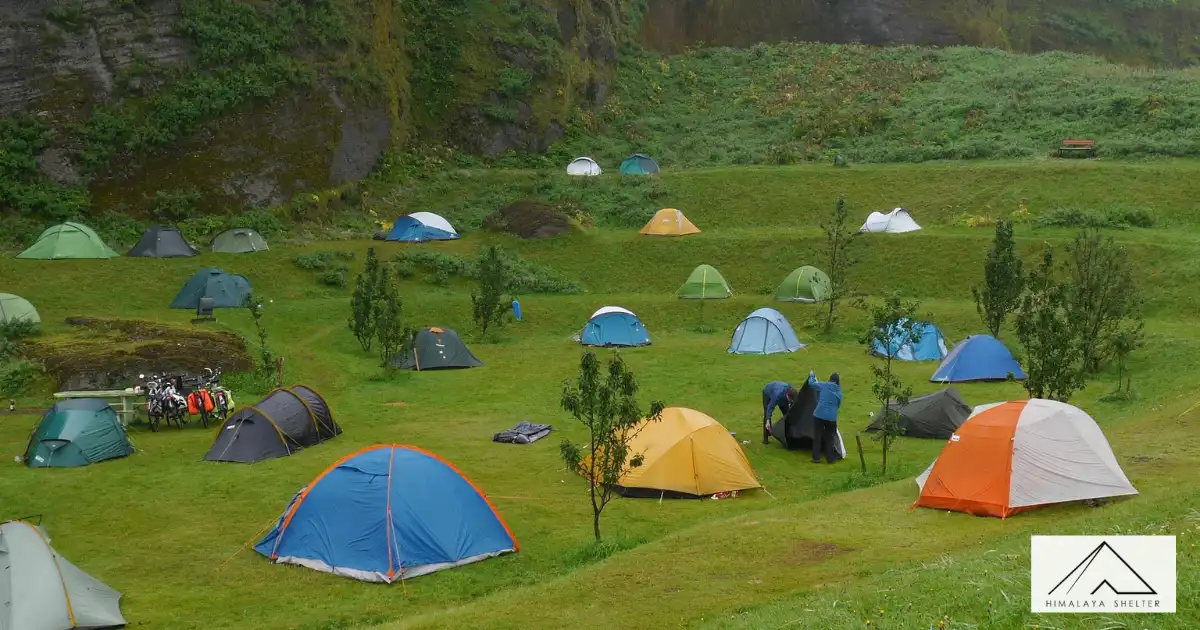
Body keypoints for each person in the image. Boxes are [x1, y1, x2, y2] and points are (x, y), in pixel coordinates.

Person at [807, 370, 843, 463]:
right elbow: (838, 405)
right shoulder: (839, 392)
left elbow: (811, 384)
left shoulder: (823, 385)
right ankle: (830, 459)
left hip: (819, 414)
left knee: (817, 436)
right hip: (831, 417)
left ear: (830, 378)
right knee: (830, 438)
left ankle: (816, 458)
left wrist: (811, 375)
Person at [761, 380, 797, 445]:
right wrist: (768, 420)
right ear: (787, 396)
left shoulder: (792, 392)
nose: (791, 402)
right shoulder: (777, 396)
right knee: (766, 414)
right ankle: (766, 437)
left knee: (787, 415)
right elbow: (770, 408)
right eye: (790, 400)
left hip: (781, 397)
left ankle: (787, 434)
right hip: (767, 393)